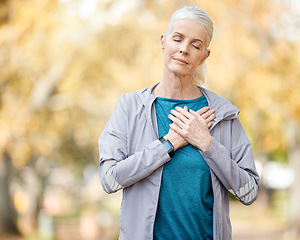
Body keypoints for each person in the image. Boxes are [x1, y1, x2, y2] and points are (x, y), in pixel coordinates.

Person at [98, 6, 259, 240]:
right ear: (163, 42)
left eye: (195, 45)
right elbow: (109, 180)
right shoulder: (129, 107)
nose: (184, 50)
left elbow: (249, 192)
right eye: (178, 39)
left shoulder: (222, 115)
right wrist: (169, 143)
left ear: (204, 55)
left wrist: (208, 145)